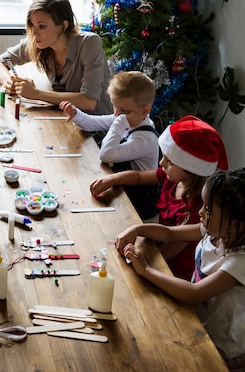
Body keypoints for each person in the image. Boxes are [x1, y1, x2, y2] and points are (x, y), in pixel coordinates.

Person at [115, 168, 245, 372]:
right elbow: (171, 233)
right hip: (198, 324)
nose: (201, 212)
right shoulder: (215, 232)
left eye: (209, 210)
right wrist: (137, 228)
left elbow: (193, 292)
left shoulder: (239, 262)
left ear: (235, 222)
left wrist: (145, 270)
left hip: (226, 347)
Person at [92, 115, 228, 280]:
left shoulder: (195, 209)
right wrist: (111, 179)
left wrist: (140, 264)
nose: (162, 163)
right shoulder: (172, 178)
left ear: (190, 168)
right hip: (156, 247)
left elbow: (165, 255)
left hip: (172, 272)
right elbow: (138, 177)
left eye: (169, 161)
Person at [60, 71, 159, 219]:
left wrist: (119, 122)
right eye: (114, 106)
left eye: (123, 110)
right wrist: (76, 114)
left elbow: (106, 154)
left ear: (144, 111)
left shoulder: (144, 138)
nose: (117, 114)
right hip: (124, 190)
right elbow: (92, 123)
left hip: (140, 206)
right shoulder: (125, 118)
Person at [0, 0, 112, 114]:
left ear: (63, 26)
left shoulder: (89, 43)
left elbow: (89, 102)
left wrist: (35, 93)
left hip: (96, 126)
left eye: (42, 26)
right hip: (64, 118)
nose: (34, 33)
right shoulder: (39, 42)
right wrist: (9, 83)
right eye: (32, 25)